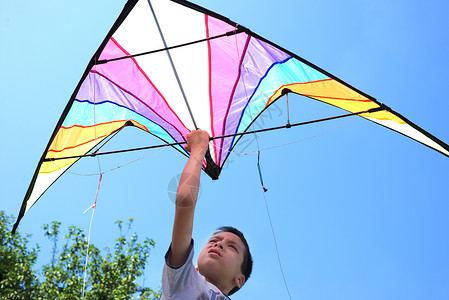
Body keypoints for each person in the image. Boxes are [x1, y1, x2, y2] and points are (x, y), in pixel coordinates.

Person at [161, 130, 253, 299]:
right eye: (214, 241)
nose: (219, 245)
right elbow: (185, 203)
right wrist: (199, 149)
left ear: (239, 280)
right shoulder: (184, 279)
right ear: (194, 268)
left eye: (232, 247)